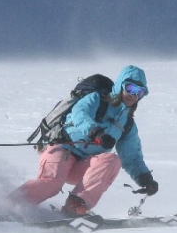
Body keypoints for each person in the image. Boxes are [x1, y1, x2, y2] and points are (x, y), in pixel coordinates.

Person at [10, 65, 158, 217]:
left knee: (112, 160)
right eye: (130, 88)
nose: (133, 95)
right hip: (62, 149)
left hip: (84, 165)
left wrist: (145, 178)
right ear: (121, 85)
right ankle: (9, 205)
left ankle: (75, 206)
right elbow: (79, 114)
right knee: (52, 183)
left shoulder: (127, 124)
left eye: (139, 92)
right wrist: (95, 132)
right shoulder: (96, 99)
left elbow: (131, 157)